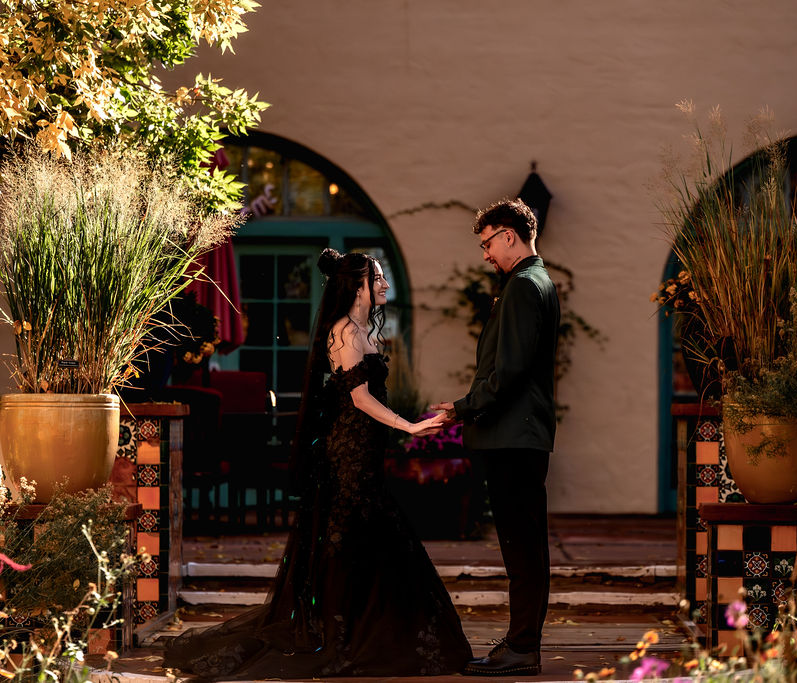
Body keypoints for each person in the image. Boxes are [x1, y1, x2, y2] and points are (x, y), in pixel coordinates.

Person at [163, 249, 472, 679]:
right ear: (358, 285)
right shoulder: (344, 332)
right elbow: (360, 399)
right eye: (377, 278)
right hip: (347, 453)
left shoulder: (363, 330)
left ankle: (361, 625)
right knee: (353, 537)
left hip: (364, 450)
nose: (384, 285)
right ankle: (340, 629)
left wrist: (409, 423)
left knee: (367, 537)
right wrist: (409, 427)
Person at [431, 199, 560, 677]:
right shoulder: (532, 283)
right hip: (517, 436)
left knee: (523, 548)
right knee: (522, 546)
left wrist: (462, 408)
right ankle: (520, 642)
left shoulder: (526, 286)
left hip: (514, 438)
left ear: (509, 235)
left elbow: (509, 370)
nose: (485, 254)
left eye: (487, 243)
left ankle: (523, 648)